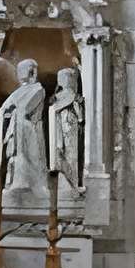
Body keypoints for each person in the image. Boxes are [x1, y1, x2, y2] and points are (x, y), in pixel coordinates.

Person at [0, 56, 49, 198]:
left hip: (30, 131)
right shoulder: (18, 92)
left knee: (30, 157)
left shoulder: (38, 89)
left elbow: (25, 109)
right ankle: (17, 182)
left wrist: (12, 110)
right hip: (17, 129)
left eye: (24, 70)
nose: (20, 73)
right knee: (16, 157)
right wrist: (9, 112)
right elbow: (3, 109)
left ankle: (32, 184)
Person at [49, 65, 85, 195]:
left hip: (70, 129)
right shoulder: (67, 96)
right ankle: (70, 185)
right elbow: (80, 117)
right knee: (65, 157)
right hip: (64, 129)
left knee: (70, 157)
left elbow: (80, 117)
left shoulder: (69, 96)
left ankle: (72, 185)